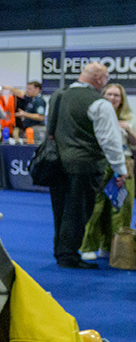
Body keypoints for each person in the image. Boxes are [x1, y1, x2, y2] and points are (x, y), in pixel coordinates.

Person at [47, 62, 126, 269]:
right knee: (79, 211)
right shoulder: (99, 103)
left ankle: (61, 252)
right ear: (99, 78)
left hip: (55, 163)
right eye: (106, 78)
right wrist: (120, 169)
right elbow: (110, 141)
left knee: (60, 210)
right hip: (84, 165)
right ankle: (69, 255)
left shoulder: (57, 95)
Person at [80, 81, 136, 261]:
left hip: (125, 163)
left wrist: (129, 130)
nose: (112, 98)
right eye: (109, 94)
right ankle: (89, 246)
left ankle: (113, 247)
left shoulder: (130, 117)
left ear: (122, 99)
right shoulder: (95, 114)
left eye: (116, 95)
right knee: (97, 206)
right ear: (103, 96)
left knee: (122, 207)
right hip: (100, 162)